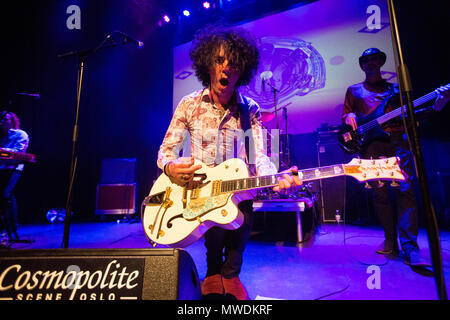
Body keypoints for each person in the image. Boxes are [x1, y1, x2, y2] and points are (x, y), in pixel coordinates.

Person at [157, 26, 302, 300]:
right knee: (213, 227)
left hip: (237, 185)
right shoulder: (189, 105)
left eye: (233, 64)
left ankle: (231, 274)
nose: (226, 69)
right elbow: (166, 151)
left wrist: (275, 176)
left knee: (242, 209)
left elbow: (260, 156)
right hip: (201, 188)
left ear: (242, 70)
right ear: (207, 64)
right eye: (220, 61)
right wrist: (170, 167)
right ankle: (213, 272)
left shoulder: (250, 110)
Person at [342, 48, 450, 266]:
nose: (371, 63)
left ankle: (410, 248)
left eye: (375, 60)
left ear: (381, 63)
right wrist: (349, 115)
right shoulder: (354, 91)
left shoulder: (396, 91)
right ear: (362, 65)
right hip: (371, 147)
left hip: (398, 145)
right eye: (367, 60)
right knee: (380, 195)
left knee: (405, 193)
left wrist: (437, 105)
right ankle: (390, 240)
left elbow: (413, 116)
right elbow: (346, 115)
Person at [0, 110, 29, 245]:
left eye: (5, 119)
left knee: (6, 196)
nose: (2, 121)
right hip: (1, 169)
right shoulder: (2, 136)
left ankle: (10, 229)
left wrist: (2, 152)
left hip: (13, 169)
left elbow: (19, 152)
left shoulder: (20, 134)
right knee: (6, 197)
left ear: (12, 120)